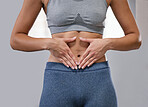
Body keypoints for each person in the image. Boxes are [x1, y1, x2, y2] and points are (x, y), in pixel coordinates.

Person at [10, 0, 142, 106]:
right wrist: (49, 43)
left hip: (98, 79)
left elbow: (135, 38)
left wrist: (107, 43)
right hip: (58, 78)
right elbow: (16, 39)